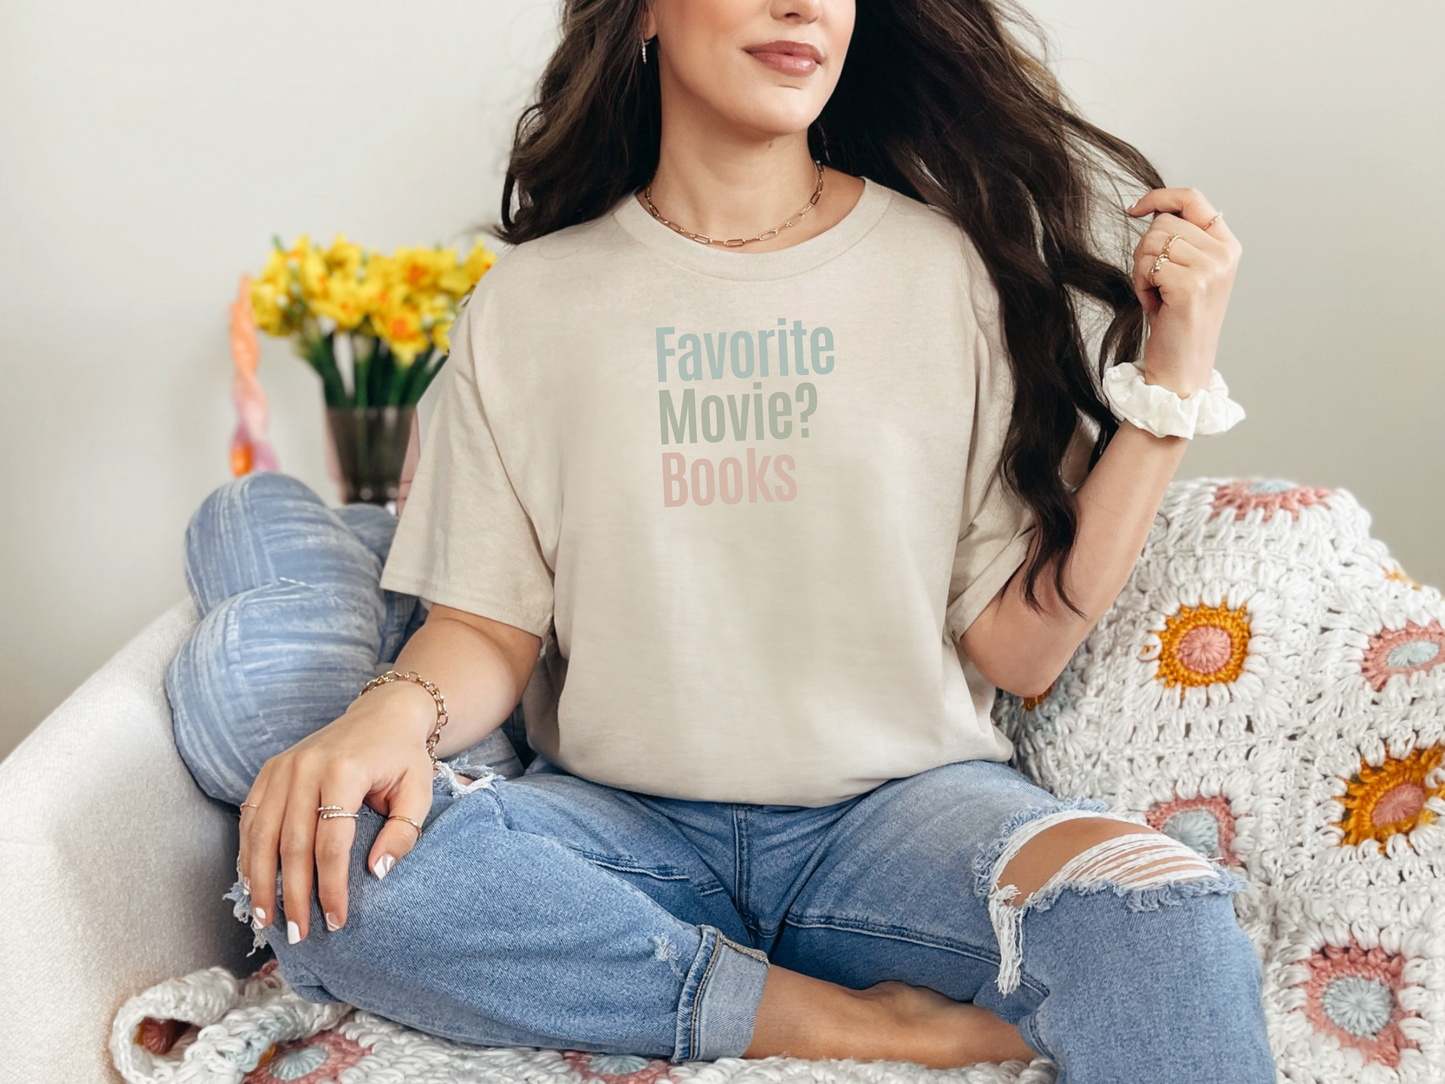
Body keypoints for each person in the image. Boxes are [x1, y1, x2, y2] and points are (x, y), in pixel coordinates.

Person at [172, 1, 1275, 1079]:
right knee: (330, 875)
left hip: (903, 823)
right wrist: (385, 716)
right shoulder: (529, 305)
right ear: (640, 15)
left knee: (1156, 911)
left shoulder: (943, 271)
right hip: (621, 836)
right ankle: (844, 1024)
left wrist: (1169, 382)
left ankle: (728, 997)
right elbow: (487, 626)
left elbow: (1021, 648)